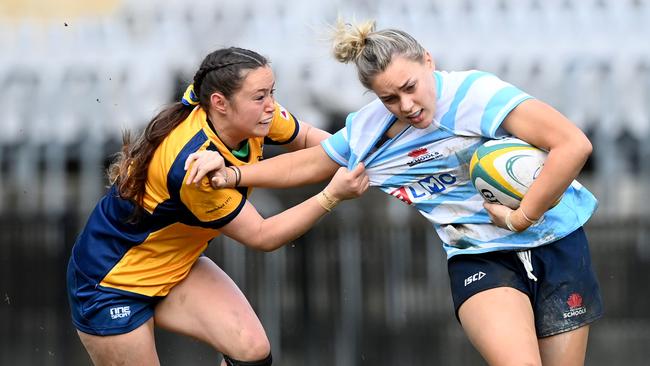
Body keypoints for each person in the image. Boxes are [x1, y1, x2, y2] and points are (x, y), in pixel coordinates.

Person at [186, 21, 603, 366]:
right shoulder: (370, 133)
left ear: (428, 62)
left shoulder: (476, 96)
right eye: (389, 97)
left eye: (410, 87)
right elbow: (309, 164)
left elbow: (573, 145)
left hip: (558, 241)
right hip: (480, 257)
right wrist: (233, 175)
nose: (405, 104)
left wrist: (521, 215)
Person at [66, 46, 368, 366]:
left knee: (251, 353)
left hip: (175, 265)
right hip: (112, 284)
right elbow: (263, 235)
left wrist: (358, 157)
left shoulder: (254, 117)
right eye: (259, 97)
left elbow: (308, 138)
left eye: (271, 93)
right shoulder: (193, 168)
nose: (271, 106)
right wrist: (332, 195)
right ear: (219, 103)